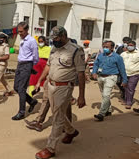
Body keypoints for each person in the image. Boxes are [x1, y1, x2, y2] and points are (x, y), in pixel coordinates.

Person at [34, 26, 86, 159]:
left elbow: (80, 73)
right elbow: (48, 66)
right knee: (57, 112)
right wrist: (40, 80)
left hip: (64, 88)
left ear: (63, 36)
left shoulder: (75, 50)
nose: (54, 41)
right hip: (50, 85)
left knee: (57, 116)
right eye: (52, 39)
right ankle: (71, 131)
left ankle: (50, 148)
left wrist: (81, 96)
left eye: (56, 38)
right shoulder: (54, 48)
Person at [92, 41, 127, 121]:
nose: (105, 48)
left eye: (107, 47)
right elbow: (96, 64)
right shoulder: (100, 55)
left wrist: (124, 80)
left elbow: (122, 69)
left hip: (111, 77)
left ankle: (101, 113)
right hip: (100, 77)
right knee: (104, 95)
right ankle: (109, 110)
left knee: (106, 95)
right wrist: (94, 72)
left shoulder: (118, 57)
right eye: (104, 46)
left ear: (112, 48)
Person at [11, 22, 39, 121]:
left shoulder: (31, 41)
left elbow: (36, 56)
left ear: (27, 30)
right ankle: (32, 101)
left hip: (27, 65)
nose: (20, 33)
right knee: (16, 87)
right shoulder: (22, 40)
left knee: (22, 88)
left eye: (21, 31)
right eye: (18, 32)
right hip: (20, 64)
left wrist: (30, 66)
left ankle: (21, 112)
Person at [121, 41, 139, 109]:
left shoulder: (138, 54)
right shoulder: (123, 54)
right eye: (128, 45)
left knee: (131, 88)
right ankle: (126, 100)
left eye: (131, 45)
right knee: (125, 87)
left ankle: (129, 102)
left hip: (134, 73)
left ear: (134, 46)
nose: (129, 46)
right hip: (124, 74)